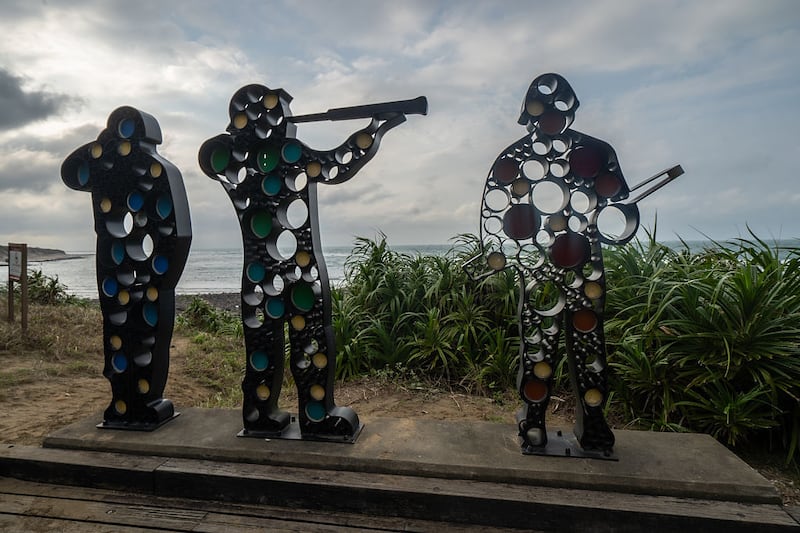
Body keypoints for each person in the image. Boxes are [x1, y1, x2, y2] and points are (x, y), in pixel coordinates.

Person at [199, 84, 410, 440]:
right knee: (308, 345)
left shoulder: (233, 163)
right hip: (300, 272)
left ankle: (260, 413)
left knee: (264, 347)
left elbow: (211, 157)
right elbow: (337, 164)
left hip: (258, 276)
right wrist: (375, 126)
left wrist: (377, 127)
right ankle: (314, 416)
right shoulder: (286, 152)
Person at [466, 73, 640, 455]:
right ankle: (539, 425)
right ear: (530, 116)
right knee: (551, 349)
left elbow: (620, 209)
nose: (548, 120)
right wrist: (504, 258)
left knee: (580, 350)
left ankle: (582, 426)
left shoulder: (588, 154)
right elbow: (495, 220)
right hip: (555, 274)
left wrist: (504, 259)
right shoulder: (521, 159)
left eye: (555, 110)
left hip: (570, 272)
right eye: (542, 111)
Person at [61, 107, 192, 429]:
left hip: (134, 273)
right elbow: (71, 171)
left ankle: (136, 402)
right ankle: (124, 404)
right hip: (119, 269)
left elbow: (174, 234)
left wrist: (162, 278)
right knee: (120, 336)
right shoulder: (116, 165)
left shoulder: (154, 168)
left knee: (143, 337)